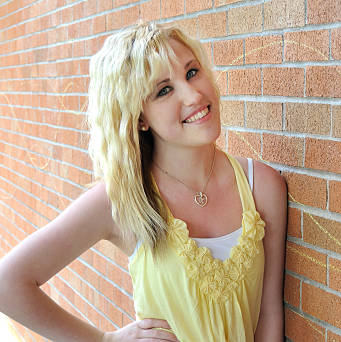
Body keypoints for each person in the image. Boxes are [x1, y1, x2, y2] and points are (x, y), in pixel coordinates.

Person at [0, 21, 287, 342]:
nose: (193, 95)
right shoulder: (124, 200)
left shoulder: (261, 186)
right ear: (139, 117)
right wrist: (105, 340)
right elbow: (7, 283)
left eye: (192, 72)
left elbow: (268, 312)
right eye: (164, 90)